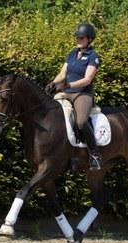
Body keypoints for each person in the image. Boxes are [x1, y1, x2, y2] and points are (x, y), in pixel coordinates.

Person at [45, 23, 102, 171]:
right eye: (77, 37)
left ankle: (95, 154)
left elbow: (87, 79)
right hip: (66, 92)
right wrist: (53, 83)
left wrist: (69, 86)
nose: (77, 39)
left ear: (89, 39)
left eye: (81, 37)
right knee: (53, 116)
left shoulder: (93, 57)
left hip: (82, 93)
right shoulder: (72, 53)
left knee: (81, 122)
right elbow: (63, 74)